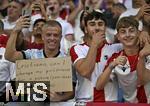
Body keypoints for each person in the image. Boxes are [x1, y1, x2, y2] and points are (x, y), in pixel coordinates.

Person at [5, 16, 75, 105]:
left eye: (56, 35)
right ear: (42, 36)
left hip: (55, 103)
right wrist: (15, 31)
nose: (52, 38)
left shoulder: (66, 61)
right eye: (48, 35)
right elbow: (9, 56)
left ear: (61, 37)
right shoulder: (31, 54)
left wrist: (60, 97)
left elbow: (71, 91)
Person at [70, 10, 122, 102]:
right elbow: (85, 71)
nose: (97, 28)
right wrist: (94, 44)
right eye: (92, 24)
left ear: (105, 28)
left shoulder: (117, 48)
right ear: (85, 29)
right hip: (85, 102)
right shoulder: (77, 49)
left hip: (110, 102)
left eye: (100, 24)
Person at [96, 16, 150, 103]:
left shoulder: (148, 53)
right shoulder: (116, 57)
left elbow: (143, 80)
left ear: (138, 33)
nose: (128, 35)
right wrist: (111, 66)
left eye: (132, 31)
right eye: (123, 32)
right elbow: (99, 86)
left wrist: (142, 55)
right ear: (118, 36)